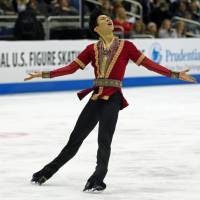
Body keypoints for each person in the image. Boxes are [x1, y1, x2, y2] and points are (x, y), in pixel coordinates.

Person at [24, 10, 197, 192]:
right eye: (103, 20)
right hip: (96, 97)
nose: (108, 20)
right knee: (74, 141)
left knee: (104, 140)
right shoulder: (91, 49)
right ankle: (46, 172)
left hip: (113, 97)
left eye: (109, 19)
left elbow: (148, 64)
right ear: (97, 28)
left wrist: (174, 74)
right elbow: (70, 69)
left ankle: (97, 179)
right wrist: (44, 74)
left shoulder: (126, 46)